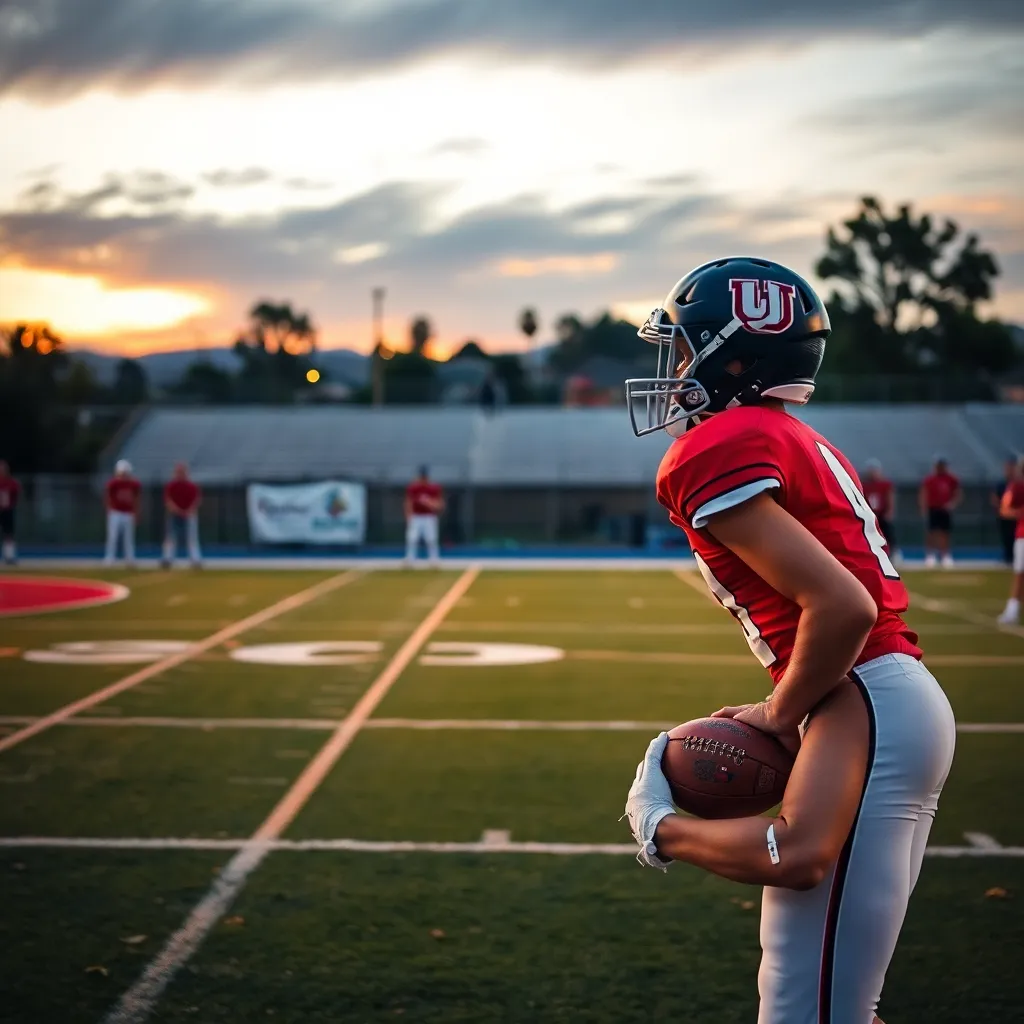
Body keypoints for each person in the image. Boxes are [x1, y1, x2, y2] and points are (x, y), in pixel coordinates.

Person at [623, 257, 955, 1024]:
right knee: (843, 1004)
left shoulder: (720, 444)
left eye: (682, 348)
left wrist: (662, 827)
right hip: (890, 698)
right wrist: (791, 705)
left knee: (806, 1010)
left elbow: (844, 606)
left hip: (865, 693)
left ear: (733, 357)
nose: (673, 371)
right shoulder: (788, 434)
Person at [919, 457, 960, 568]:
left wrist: (952, 504)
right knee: (931, 532)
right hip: (933, 508)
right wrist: (924, 507)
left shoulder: (951, 479)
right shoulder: (930, 479)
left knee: (945, 533)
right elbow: (924, 493)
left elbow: (957, 493)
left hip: (945, 509)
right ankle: (930, 555)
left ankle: (945, 555)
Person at [997, 456, 1024, 624]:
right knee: (1019, 573)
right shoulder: (1018, 486)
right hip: (1022, 535)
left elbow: (1004, 508)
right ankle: (1012, 610)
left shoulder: (1017, 485)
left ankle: (1012, 611)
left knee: (1019, 574)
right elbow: (1005, 508)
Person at [161, 463, 202, 568]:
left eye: (182, 472)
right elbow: (168, 500)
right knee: (171, 538)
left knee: (192, 539)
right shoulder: (171, 486)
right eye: (179, 472)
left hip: (189, 515)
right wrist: (177, 510)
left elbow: (196, 500)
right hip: (174, 515)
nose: (180, 474)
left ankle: (195, 560)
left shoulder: (191, 486)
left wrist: (188, 511)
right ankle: (168, 559)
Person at [104, 459, 141, 568]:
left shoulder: (134, 484)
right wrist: (109, 510)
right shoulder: (113, 483)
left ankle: (129, 558)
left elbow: (136, 499)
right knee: (113, 536)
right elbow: (108, 497)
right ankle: (110, 557)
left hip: (128, 512)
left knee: (128, 538)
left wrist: (136, 512)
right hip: (115, 512)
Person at [404, 466, 444, 567]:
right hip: (416, 516)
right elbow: (408, 502)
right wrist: (408, 515)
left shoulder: (434, 488)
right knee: (412, 538)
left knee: (431, 539)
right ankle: (410, 559)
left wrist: (430, 503)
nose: (423, 479)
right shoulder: (413, 488)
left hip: (429, 516)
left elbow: (439, 504)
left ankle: (434, 559)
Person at [862, 459, 899, 562]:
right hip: (870, 514)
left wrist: (890, 510)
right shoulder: (865, 484)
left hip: (881, 513)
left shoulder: (885, 484)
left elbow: (889, 497)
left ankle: (894, 552)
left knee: (887, 533)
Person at [993, 457, 1019, 566]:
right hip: (1005, 516)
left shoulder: (1018, 484)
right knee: (1006, 536)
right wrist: (1000, 510)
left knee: (1016, 537)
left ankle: (1016, 557)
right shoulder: (1002, 484)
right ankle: (1007, 556)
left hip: (1017, 516)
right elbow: (995, 498)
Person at [0, 460, 20, 565]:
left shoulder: (11, 482)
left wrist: (10, 505)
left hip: (7, 510)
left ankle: (9, 556)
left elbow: (15, 494)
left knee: (8, 533)